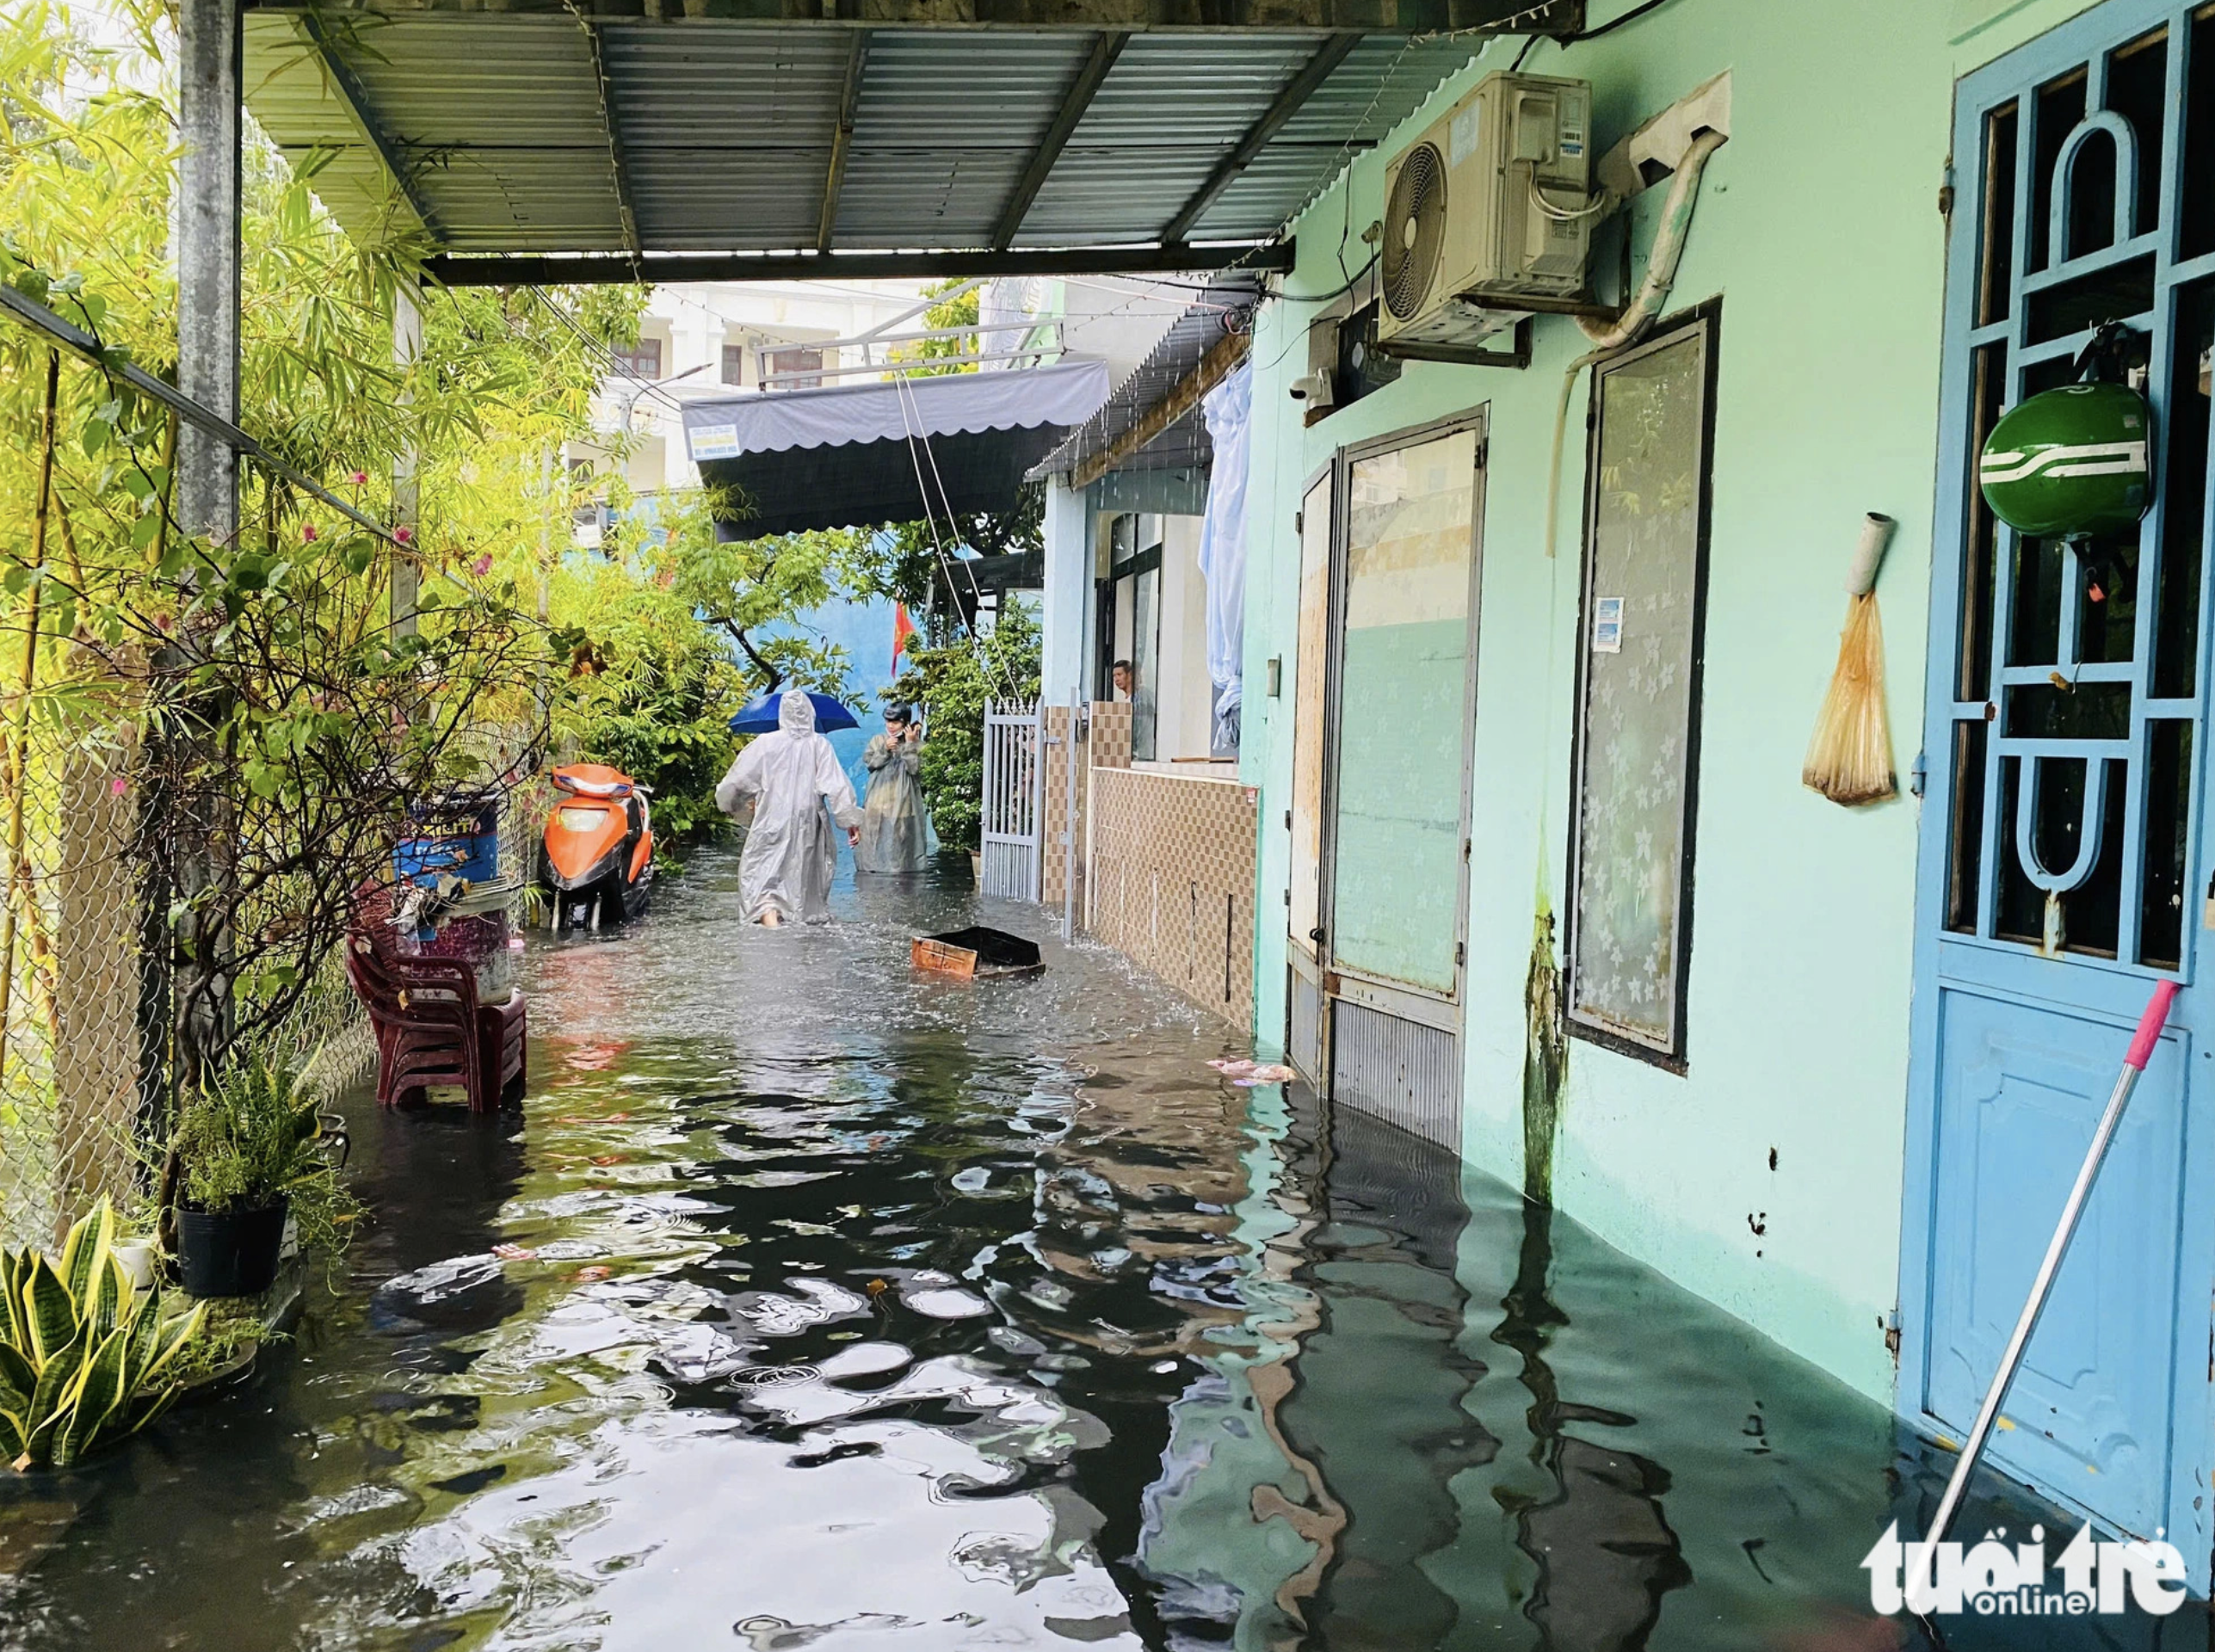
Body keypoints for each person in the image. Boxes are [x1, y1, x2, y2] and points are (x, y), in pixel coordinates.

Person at [713, 690, 862, 927]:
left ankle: (770, 922)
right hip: (808, 821)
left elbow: (736, 782)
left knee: (761, 872)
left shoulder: (764, 744)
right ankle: (790, 926)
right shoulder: (820, 745)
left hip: (771, 818)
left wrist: (729, 805)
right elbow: (837, 786)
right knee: (799, 875)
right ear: (810, 714)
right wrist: (849, 821)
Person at [856, 706, 931, 874]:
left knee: (901, 839)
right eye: (888, 722)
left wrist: (910, 745)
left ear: (905, 724)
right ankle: (874, 868)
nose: (890, 726)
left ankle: (901, 873)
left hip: (904, 802)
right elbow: (871, 763)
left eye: (896, 722)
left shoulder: (918, 745)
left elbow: (916, 770)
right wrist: (885, 750)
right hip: (879, 801)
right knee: (876, 836)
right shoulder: (878, 741)